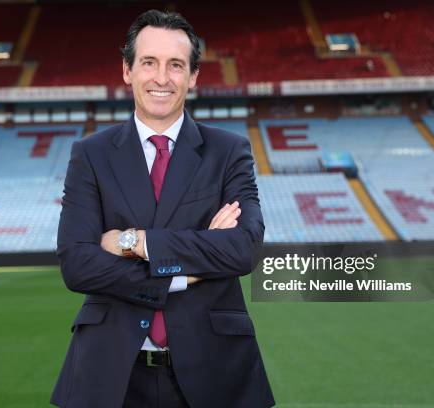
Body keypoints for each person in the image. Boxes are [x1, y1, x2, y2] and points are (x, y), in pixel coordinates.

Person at [50, 9, 275, 408]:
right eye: (149, 62)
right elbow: (77, 263)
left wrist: (133, 241)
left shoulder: (229, 151)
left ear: (193, 77)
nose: (161, 77)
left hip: (216, 370)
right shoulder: (91, 154)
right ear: (127, 70)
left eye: (176, 65)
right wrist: (183, 274)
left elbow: (243, 249)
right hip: (110, 373)